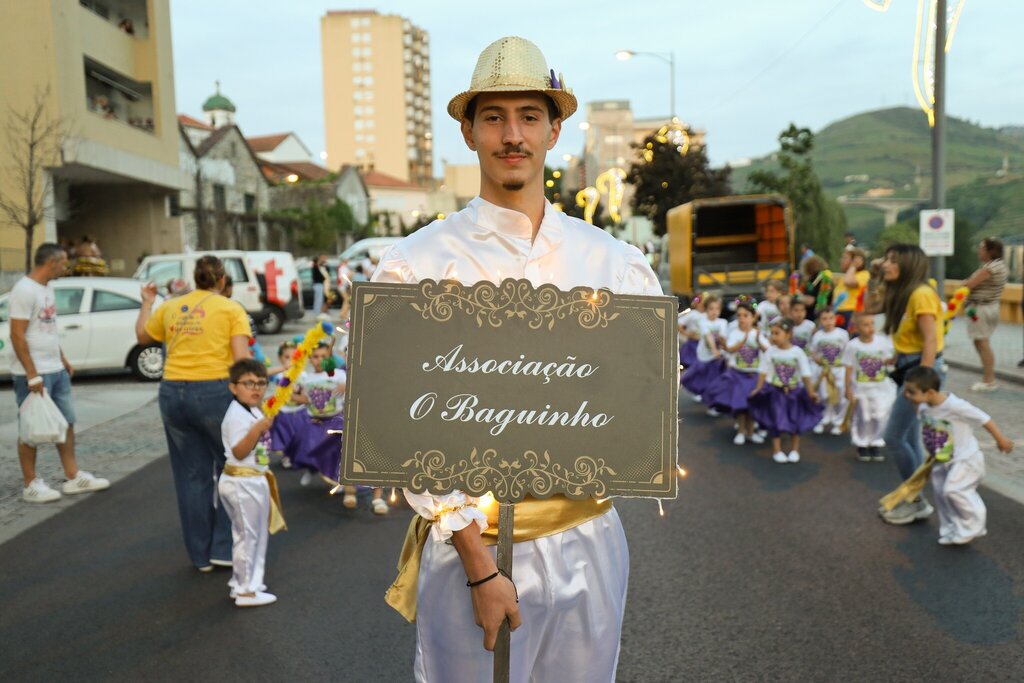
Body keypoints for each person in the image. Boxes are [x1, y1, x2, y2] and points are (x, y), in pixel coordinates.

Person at [372, 36, 661, 682]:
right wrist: (480, 566)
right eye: (494, 117)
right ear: (468, 130)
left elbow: (640, 399)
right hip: (469, 549)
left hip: (589, 539)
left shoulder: (614, 264)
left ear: (554, 130)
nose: (512, 135)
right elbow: (399, 424)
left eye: (529, 116)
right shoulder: (416, 264)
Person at [136, 254, 252, 572]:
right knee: (232, 466)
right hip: (214, 392)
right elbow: (241, 361)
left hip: (173, 392)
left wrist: (147, 302)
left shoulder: (172, 306)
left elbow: (143, 336)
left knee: (192, 476)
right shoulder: (231, 309)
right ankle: (224, 548)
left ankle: (200, 555)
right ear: (223, 281)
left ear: (195, 278)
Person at [10, 243, 110, 503]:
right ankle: (31, 483)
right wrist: (32, 374)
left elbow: (49, 328)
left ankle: (73, 475)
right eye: (63, 263)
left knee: (66, 422)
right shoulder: (24, 290)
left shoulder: (47, 288)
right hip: (34, 374)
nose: (65, 267)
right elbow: (17, 335)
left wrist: (62, 358)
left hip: (55, 368)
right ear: (50, 263)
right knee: (31, 427)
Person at [901, 366, 1014, 545]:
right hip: (941, 459)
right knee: (941, 494)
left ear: (930, 392)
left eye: (911, 392)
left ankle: (972, 527)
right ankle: (951, 528)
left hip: (965, 458)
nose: (906, 395)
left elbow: (984, 418)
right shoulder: (923, 406)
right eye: (905, 390)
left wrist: (1001, 440)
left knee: (954, 490)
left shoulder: (955, 405)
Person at [877, 244, 944, 526]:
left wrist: (922, 381)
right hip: (909, 367)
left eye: (892, 260)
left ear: (908, 264)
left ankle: (916, 501)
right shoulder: (905, 293)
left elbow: (930, 340)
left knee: (893, 437)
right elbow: (868, 306)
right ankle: (916, 500)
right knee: (909, 438)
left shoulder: (921, 294)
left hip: (919, 372)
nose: (885, 264)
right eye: (886, 259)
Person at [219, 359, 280, 607]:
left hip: (253, 479)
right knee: (247, 536)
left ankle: (246, 581)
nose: (256, 388)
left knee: (253, 534)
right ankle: (245, 591)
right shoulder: (236, 416)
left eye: (261, 383)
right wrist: (256, 430)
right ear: (233, 387)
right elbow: (240, 451)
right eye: (248, 383)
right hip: (242, 482)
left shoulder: (252, 409)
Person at [748, 318, 822, 464]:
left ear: (788, 334)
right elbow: (763, 371)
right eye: (772, 333)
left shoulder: (797, 352)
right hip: (776, 392)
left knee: (795, 420)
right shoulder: (770, 351)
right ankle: (777, 450)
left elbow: (805, 374)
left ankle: (794, 450)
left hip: (794, 393)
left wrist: (811, 392)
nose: (773, 337)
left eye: (777, 333)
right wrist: (758, 388)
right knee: (775, 420)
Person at [703, 301, 768, 445]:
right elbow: (730, 349)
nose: (742, 319)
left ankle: (750, 432)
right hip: (738, 375)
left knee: (751, 406)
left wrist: (758, 341)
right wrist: (741, 342)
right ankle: (741, 431)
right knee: (741, 406)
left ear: (753, 317)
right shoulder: (735, 333)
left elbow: (768, 351)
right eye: (739, 315)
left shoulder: (757, 334)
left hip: (754, 376)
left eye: (746, 315)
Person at [842, 311, 896, 462]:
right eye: (865, 325)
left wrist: (893, 358)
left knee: (880, 415)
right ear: (857, 328)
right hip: (861, 388)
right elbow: (849, 368)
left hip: (880, 386)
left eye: (872, 324)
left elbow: (887, 361)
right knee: (863, 416)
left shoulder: (882, 342)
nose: (870, 327)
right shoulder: (853, 346)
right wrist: (847, 388)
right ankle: (862, 443)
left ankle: (876, 441)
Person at [960, 237, 1008, 391]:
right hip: (987, 307)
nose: (978, 251)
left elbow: (969, 284)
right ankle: (988, 378)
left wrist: (965, 282)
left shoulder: (990, 268)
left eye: (981, 248)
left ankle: (989, 380)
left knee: (982, 343)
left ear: (990, 251)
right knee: (980, 341)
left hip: (982, 308)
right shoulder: (998, 265)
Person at [681, 294, 728, 410]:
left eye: (717, 309)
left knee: (715, 381)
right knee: (700, 377)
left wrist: (724, 348)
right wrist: (714, 349)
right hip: (704, 356)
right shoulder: (702, 321)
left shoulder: (722, 322)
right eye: (711, 309)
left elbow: (723, 337)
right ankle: (703, 395)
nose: (714, 311)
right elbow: (708, 336)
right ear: (706, 309)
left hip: (717, 358)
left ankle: (714, 404)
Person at [808, 307, 850, 436]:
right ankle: (822, 419)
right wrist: (816, 358)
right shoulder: (818, 335)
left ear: (836, 319)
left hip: (839, 369)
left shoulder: (842, 334)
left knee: (841, 395)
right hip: (824, 370)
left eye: (831, 318)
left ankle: (838, 422)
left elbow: (847, 351)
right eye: (824, 319)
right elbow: (813, 351)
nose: (828, 321)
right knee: (823, 395)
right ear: (820, 321)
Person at [833, 247, 870, 332]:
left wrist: (853, 266)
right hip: (838, 314)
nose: (841, 260)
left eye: (845, 258)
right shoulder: (846, 276)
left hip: (851, 314)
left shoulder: (864, 274)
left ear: (855, 260)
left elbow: (848, 282)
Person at [799, 255, 832, 321]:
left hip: (813, 316)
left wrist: (797, 296)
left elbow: (810, 300)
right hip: (825, 314)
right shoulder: (826, 278)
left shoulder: (815, 279)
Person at [676, 295, 705, 369]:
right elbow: (679, 324)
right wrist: (687, 334)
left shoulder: (706, 314)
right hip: (693, 344)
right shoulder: (693, 313)